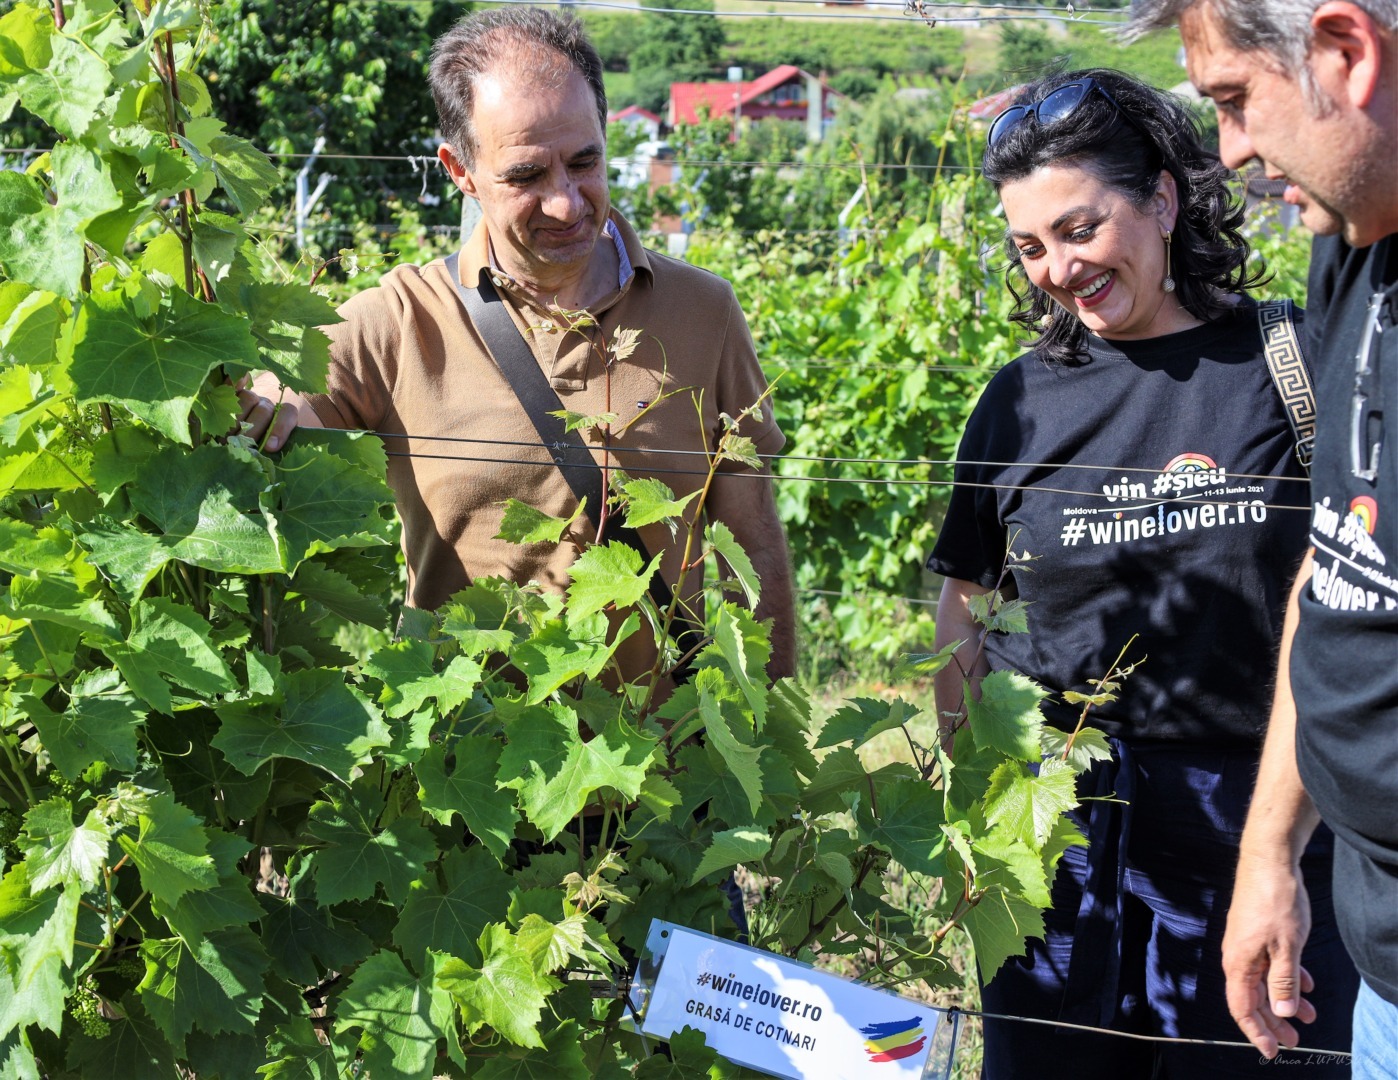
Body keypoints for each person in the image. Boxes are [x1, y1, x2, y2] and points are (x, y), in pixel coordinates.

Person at [926, 68, 1359, 1077]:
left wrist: (1281, 854)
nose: (1055, 269)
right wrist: (974, 809)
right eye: (1029, 246)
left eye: (1079, 230)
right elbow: (963, 608)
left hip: (1266, 835)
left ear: (1162, 198)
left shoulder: (1289, 360)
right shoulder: (1020, 402)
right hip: (1065, 848)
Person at [250, 7, 795, 684]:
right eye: (526, 175)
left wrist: (760, 736)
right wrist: (266, 395)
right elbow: (284, 396)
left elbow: (751, 533)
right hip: (472, 769)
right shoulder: (398, 322)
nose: (566, 203)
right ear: (461, 170)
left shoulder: (704, 312)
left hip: (666, 773)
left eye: (584, 162)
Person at [1128, 1, 1398, 1072]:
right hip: (1381, 964)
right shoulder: (1358, 251)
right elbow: (1340, 564)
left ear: (1347, 51)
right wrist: (1271, 854)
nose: (1230, 149)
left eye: (1237, 101)